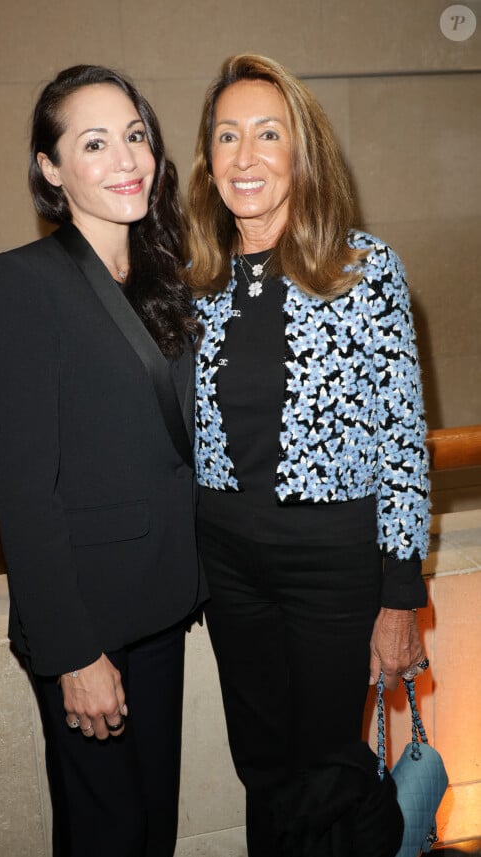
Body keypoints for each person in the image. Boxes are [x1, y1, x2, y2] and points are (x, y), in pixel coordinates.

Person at [186, 54, 430, 857]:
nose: (245, 156)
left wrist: (401, 599)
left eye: (267, 133)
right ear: (207, 158)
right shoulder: (195, 283)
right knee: (262, 763)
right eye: (227, 135)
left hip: (332, 561)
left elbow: (402, 442)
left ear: (303, 153)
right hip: (227, 560)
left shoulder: (363, 269)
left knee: (328, 768)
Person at [0, 64, 206, 857]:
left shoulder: (164, 277)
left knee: (154, 829)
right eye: (95, 143)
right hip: (88, 619)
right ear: (51, 168)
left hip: (162, 602)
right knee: (106, 835)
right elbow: (24, 488)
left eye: (135, 136)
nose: (126, 160)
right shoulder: (22, 282)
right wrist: (74, 651)